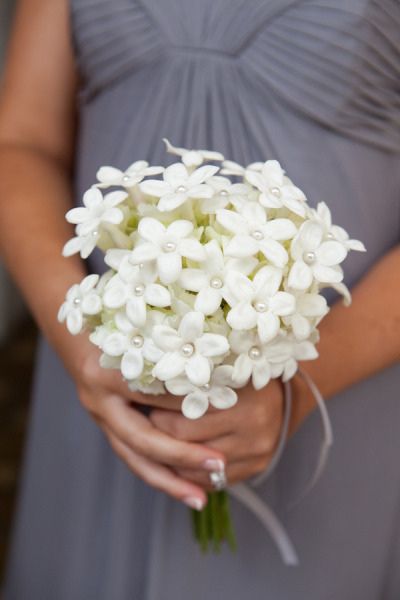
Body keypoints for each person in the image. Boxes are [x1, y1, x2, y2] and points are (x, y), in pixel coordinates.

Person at [1, 0, 399, 598]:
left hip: (339, 396)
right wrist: (87, 347)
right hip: (106, 390)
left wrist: (299, 386)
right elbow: (21, 142)